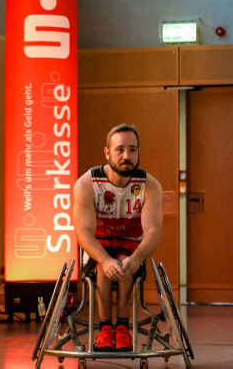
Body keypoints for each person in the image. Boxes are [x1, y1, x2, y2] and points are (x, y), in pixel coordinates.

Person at [74, 123, 163, 352]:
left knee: (125, 264)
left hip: (130, 246)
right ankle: (105, 328)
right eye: (120, 150)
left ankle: (122, 328)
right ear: (107, 152)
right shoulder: (87, 183)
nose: (126, 156)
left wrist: (137, 258)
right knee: (107, 267)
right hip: (98, 245)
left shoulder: (150, 185)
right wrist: (104, 260)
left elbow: (153, 232)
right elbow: (83, 232)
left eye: (132, 150)